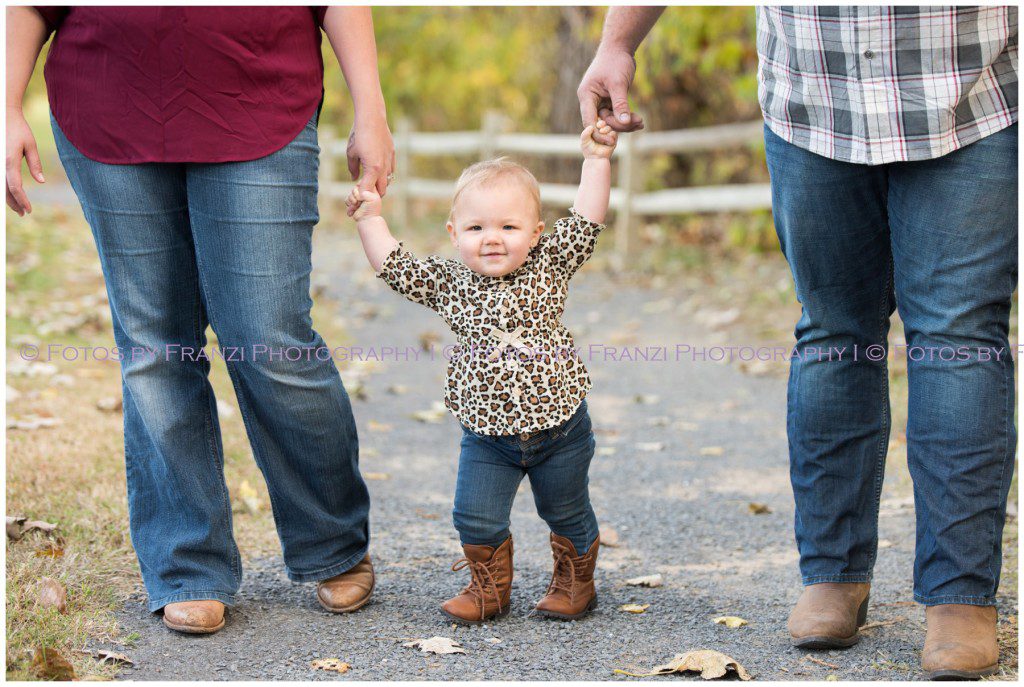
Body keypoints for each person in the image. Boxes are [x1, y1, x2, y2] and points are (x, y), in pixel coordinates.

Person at [578, 6, 1017, 680]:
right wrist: (619, 40)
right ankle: (834, 573)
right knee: (834, 330)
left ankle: (959, 593)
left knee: (958, 336)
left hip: (966, 83)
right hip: (814, 94)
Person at [6, 6, 395, 634]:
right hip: (108, 104)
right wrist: (5, 104)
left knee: (269, 341)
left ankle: (332, 542)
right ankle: (187, 565)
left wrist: (370, 111)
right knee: (156, 350)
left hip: (258, 96)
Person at [346, 121, 618, 623]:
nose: (491, 239)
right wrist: (370, 217)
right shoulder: (449, 282)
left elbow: (585, 219)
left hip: (560, 428)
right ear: (454, 234)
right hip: (486, 434)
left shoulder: (549, 263)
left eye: (508, 227)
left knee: (565, 510)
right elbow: (395, 266)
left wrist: (596, 159)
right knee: (473, 514)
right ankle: (489, 587)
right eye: (476, 228)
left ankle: (576, 580)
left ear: (535, 233)